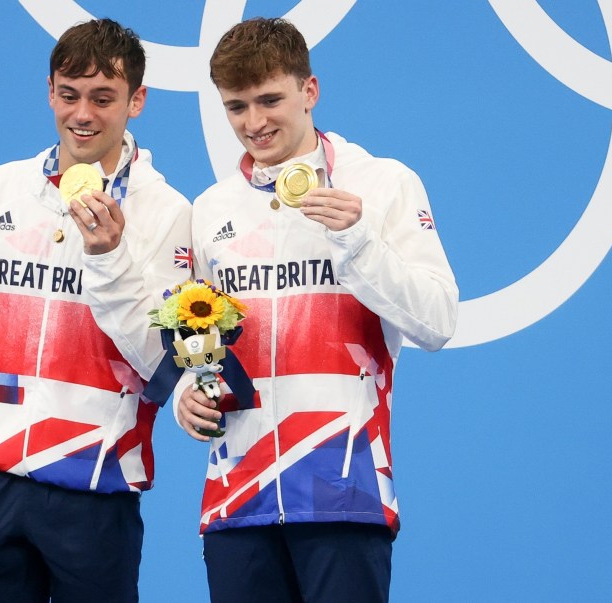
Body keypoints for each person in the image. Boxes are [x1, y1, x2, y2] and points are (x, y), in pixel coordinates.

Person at [0, 18, 192, 601]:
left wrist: (110, 258)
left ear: (137, 100)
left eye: (103, 98)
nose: (82, 114)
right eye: (69, 94)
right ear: (49, 90)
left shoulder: (168, 213)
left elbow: (165, 367)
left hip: (97, 489)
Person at [176, 17, 458, 602]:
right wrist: (189, 391)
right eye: (236, 107)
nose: (254, 123)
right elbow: (197, 339)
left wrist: (358, 241)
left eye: (270, 100)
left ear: (310, 91)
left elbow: (437, 322)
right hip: (237, 497)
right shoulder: (210, 209)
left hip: (344, 488)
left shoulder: (383, 185)